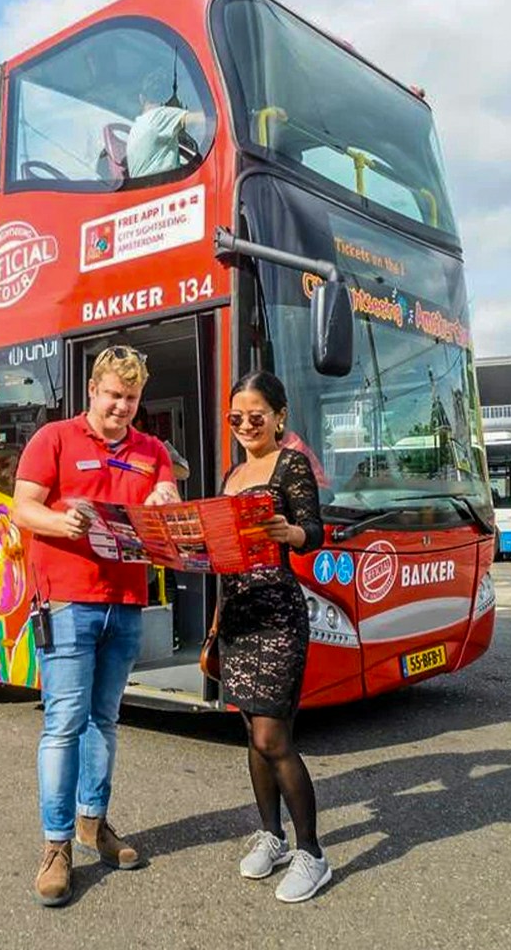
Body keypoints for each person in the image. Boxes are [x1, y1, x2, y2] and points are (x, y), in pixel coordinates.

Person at [12, 345, 180, 908]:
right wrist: (61, 522)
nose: (121, 407)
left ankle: (92, 822)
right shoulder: (54, 439)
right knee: (63, 723)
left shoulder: (152, 450)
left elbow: (168, 506)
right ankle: (55, 845)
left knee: (104, 721)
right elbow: (22, 507)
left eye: (130, 398)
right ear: (92, 390)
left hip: (126, 603)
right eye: (113, 395)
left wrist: (164, 497)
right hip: (66, 601)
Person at [217, 370, 329, 903]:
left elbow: (315, 532)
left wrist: (291, 531)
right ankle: (273, 836)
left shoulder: (291, 464)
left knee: (272, 737)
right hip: (236, 614)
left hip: (277, 613)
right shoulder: (231, 475)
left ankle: (312, 854)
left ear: (279, 416)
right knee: (252, 735)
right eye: (235, 417)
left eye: (255, 415)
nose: (245, 425)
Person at [126, 70, 206, 179]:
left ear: (141, 98)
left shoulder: (137, 125)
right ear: (167, 97)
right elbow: (201, 119)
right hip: (161, 184)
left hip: (144, 184)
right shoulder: (160, 116)